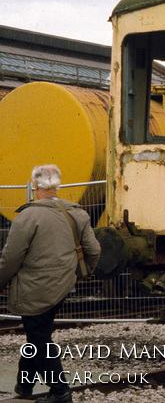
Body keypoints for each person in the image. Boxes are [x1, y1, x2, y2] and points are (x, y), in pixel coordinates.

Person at [0, 165, 101, 403]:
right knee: (38, 334)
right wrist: (77, 275)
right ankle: (24, 386)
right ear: (57, 185)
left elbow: (10, 258)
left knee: (38, 338)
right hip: (63, 286)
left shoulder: (26, 217)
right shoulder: (77, 213)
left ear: (35, 187)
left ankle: (60, 392)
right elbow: (94, 250)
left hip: (34, 288)